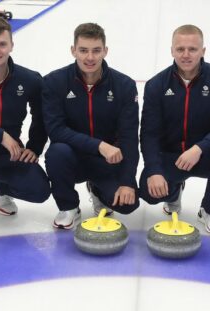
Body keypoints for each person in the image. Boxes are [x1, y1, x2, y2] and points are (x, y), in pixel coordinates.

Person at [139, 24, 210, 234]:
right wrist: (155, 170)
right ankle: (173, 190)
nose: (186, 55)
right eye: (180, 49)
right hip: (171, 156)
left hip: (204, 154)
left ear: (203, 51)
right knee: (148, 192)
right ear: (172, 50)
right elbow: (149, 134)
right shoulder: (156, 85)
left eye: (192, 49)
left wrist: (199, 148)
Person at [42, 22, 140, 229]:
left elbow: (130, 137)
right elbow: (56, 130)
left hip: (108, 162)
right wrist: (99, 145)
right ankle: (68, 206)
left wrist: (127, 182)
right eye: (83, 50)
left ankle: (97, 189)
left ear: (105, 51)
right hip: (72, 158)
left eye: (96, 51)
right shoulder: (54, 82)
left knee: (128, 205)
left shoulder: (124, 85)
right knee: (56, 151)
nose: (90, 57)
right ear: (73, 51)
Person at [0, 17, 50, 215]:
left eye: (2, 44)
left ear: (11, 45)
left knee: (39, 190)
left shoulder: (29, 79)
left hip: (8, 156)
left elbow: (42, 117)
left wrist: (34, 147)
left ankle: (0, 186)